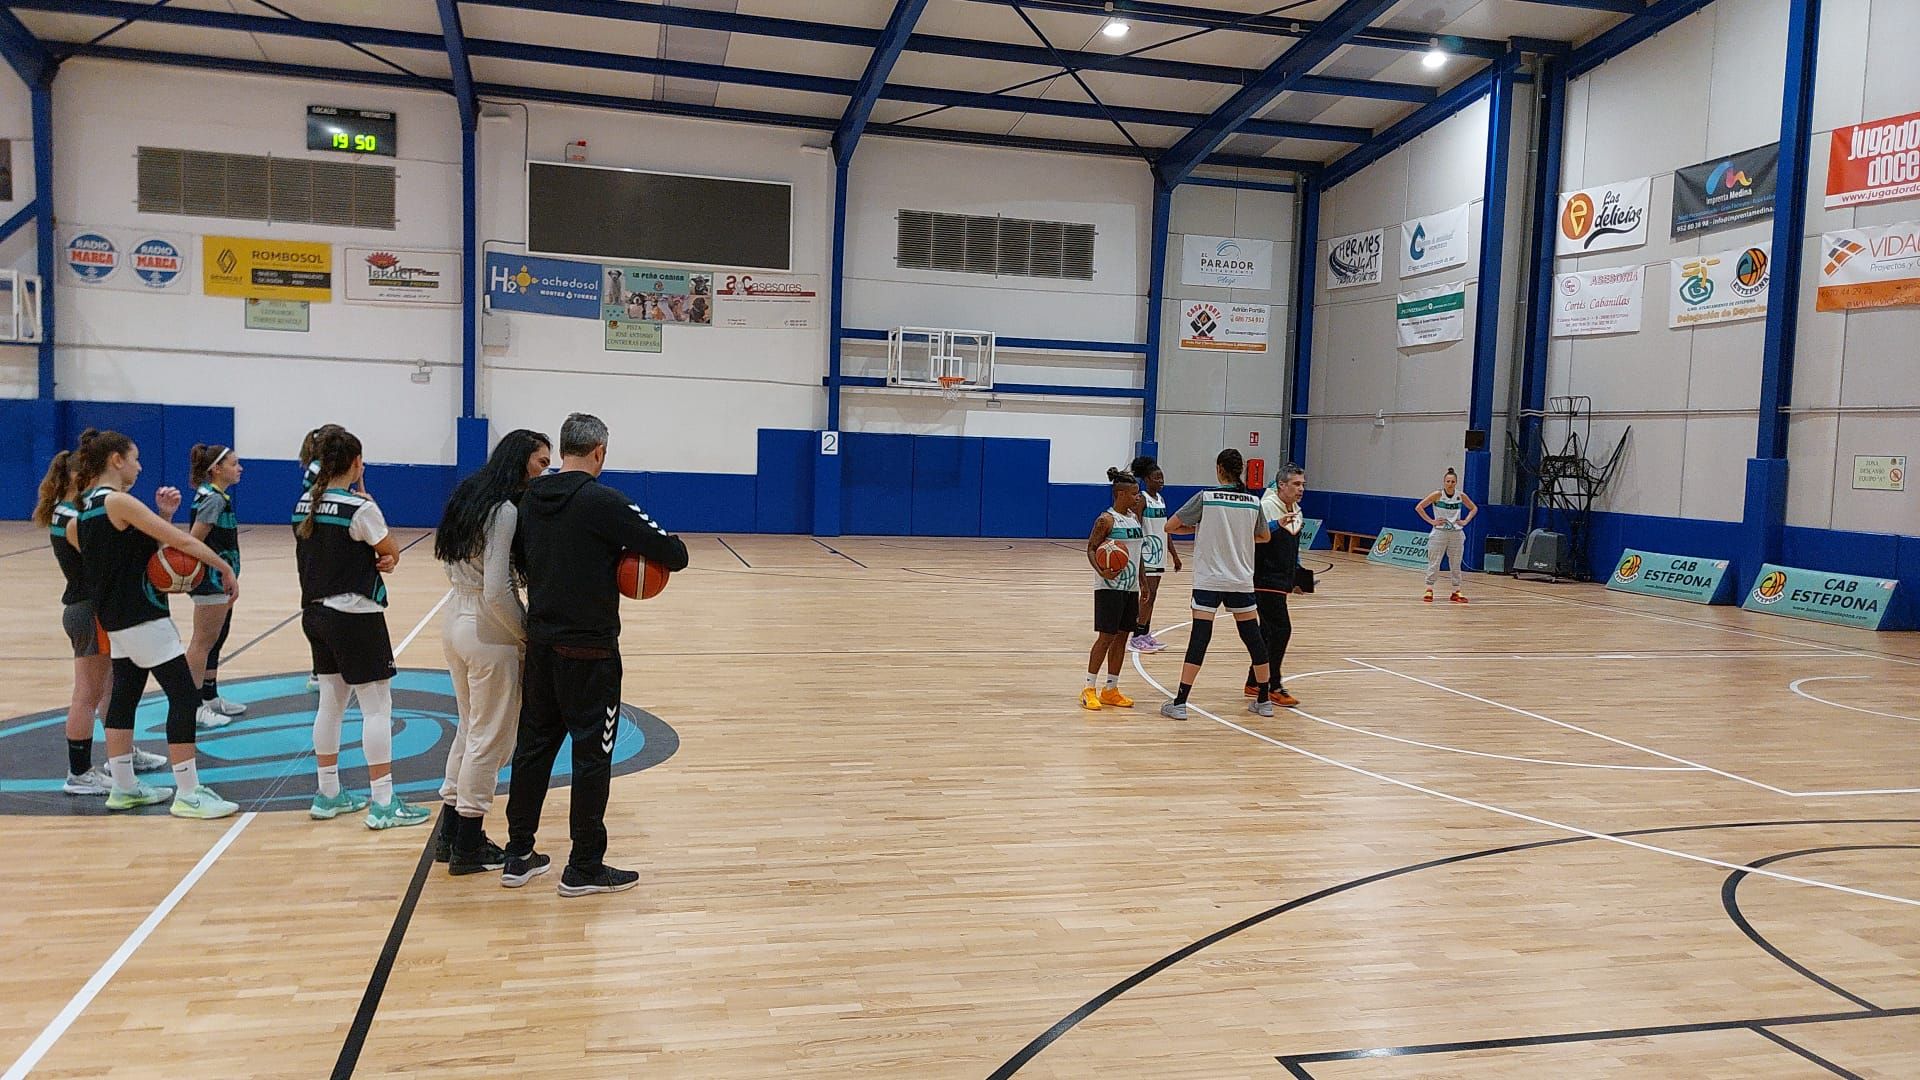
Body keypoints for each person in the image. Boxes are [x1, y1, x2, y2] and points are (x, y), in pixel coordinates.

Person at [505, 413, 689, 896]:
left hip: (540, 644)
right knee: (592, 757)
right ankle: (584, 866)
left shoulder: (528, 499)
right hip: (589, 652)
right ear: (600, 452)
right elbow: (672, 552)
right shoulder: (604, 501)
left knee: (533, 747)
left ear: (563, 449)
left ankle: (517, 853)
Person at [73, 430, 241, 819]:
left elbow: (134, 552)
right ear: (115, 460)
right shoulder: (119, 501)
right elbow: (179, 543)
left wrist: (162, 513)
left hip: (114, 618)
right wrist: (223, 567)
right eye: (135, 458)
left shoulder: (87, 508)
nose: (139, 465)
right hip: (144, 616)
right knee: (184, 698)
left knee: (124, 698)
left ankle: (124, 787)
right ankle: (189, 792)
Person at [294, 426, 428, 830]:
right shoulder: (359, 508)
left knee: (330, 705)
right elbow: (388, 549)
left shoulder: (305, 503)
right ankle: (384, 802)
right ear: (354, 463)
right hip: (354, 614)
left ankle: (329, 793)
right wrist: (384, 556)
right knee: (377, 708)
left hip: (314, 614)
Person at [431, 428, 551, 876]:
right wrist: (524, 636)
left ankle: (448, 832)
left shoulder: (469, 494)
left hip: (455, 619)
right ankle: (468, 843)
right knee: (490, 739)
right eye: (541, 462)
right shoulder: (503, 510)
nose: (545, 471)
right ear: (520, 460)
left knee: (470, 730)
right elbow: (499, 590)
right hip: (488, 628)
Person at [34, 433, 168, 794]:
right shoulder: (71, 517)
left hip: (91, 608)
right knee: (87, 693)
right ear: (80, 476)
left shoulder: (70, 511)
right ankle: (78, 772)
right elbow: (99, 560)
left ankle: (120, 755)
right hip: (86, 609)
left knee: (111, 688)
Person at [1160, 449, 1274, 721]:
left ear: (1219, 469)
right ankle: (1265, 699)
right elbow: (1264, 536)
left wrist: (1201, 530)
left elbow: (1170, 526)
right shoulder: (1252, 502)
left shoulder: (1206, 497)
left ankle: (1180, 702)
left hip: (1209, 579)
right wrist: (1239, 540)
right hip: (1240, 579)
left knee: (1200, 638)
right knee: (1253, 639)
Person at [184, 444, 246, 730]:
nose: (239, 468)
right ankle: (191, 705)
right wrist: (221, 571)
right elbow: (194, 541)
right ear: (216, 470)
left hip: (221, 579)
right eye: (234, 463)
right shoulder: (213, 500)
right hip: (210, 580)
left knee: (216, 639)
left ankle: (209, 696)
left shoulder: (218, 496)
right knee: (202, 642)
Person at [1082, 468, 1144, 712]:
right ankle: (1088, 687)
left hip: (1131, 587)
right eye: (1133, 493)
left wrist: (1144, 582)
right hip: (1109, 587)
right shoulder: (1105, 520)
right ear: (1120, 494)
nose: (1137, 497)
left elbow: (1137, 555)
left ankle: (1111, 689)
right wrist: (1101, 570)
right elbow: (1090, 549)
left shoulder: (1134, 519)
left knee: (1122, 637)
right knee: (1106, 637)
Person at [1246, 463, 1306, 708]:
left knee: (1267, 631)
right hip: (1264, 578)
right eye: (1296, 484)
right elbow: (1252, 537)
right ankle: (1272, 684)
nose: (1301, 489)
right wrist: (1275, 525)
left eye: (1303, 484)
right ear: (1281, 485)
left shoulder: (1297, 510)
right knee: (1281, 630)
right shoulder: (1267, 508)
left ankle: (1253, 681)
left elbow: (1293, 548)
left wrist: (1299, 576)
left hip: (1282, 578)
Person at [1126, 455, 1180, 653]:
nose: (1161, 481)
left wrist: (1174, 554)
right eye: (1157, 477)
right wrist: (1136, 554)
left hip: (1158, 553)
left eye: (1162, 477)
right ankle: (1136, 636)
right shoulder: (1142, 499)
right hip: (1146, 552)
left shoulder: (1161, 499)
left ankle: (1144, 633)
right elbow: (1137, 527)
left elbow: (1165, 529)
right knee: (1146, 595)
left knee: (1153, 594)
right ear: (1147, 479)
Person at [1417, 467, 1478, 604]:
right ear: (1444, 482)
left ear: (1456, 483)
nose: (1450, 484)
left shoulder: (1460, 496)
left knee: (1456, 563)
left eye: (1453, 481)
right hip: (1439, 532)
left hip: (1456, 533)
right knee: (1434, 561)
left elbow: (1474, 508)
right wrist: (1431, 521)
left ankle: (1456, 590)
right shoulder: (1437, 495)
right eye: (1448, 481)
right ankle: (1429, 588)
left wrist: (1465, 521)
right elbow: (1419, 507)